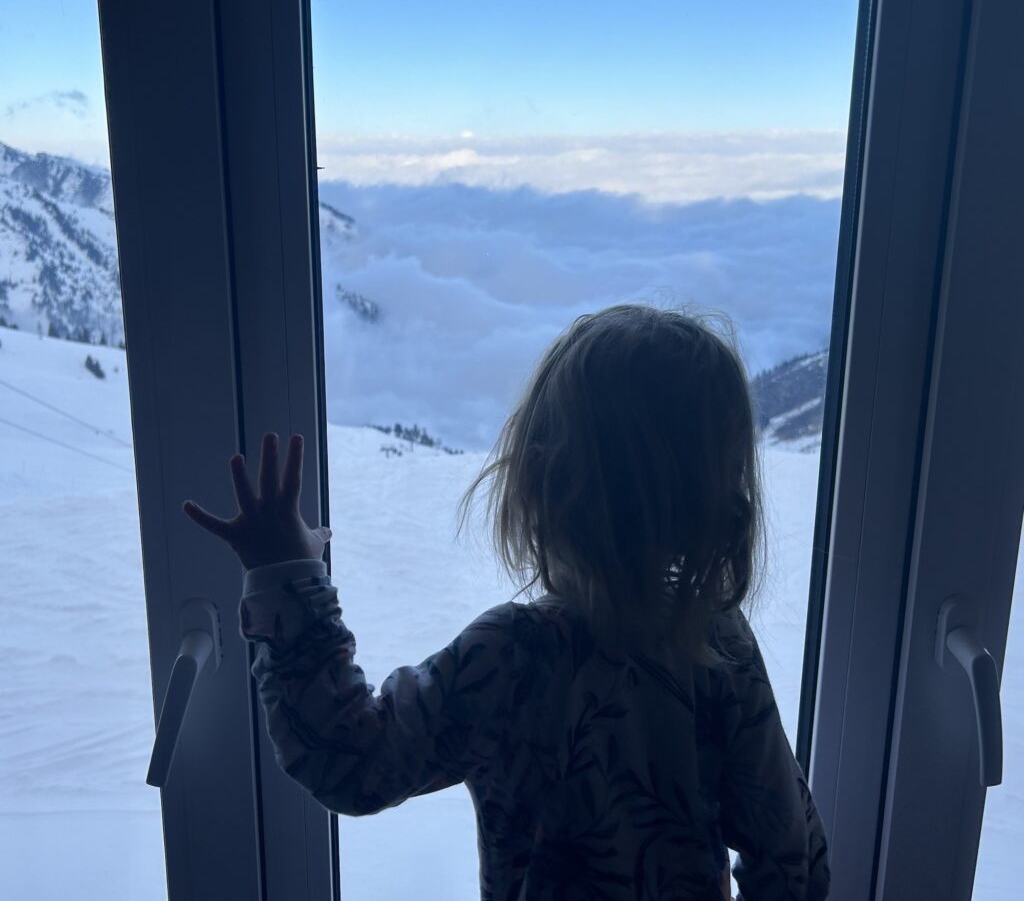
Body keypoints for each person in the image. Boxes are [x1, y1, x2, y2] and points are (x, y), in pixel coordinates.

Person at [183, 303, 830, 901]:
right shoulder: (721, 644)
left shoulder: (511, 659)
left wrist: (284, 577)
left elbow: (349, 762)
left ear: (542, 488)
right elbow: (793, 860)